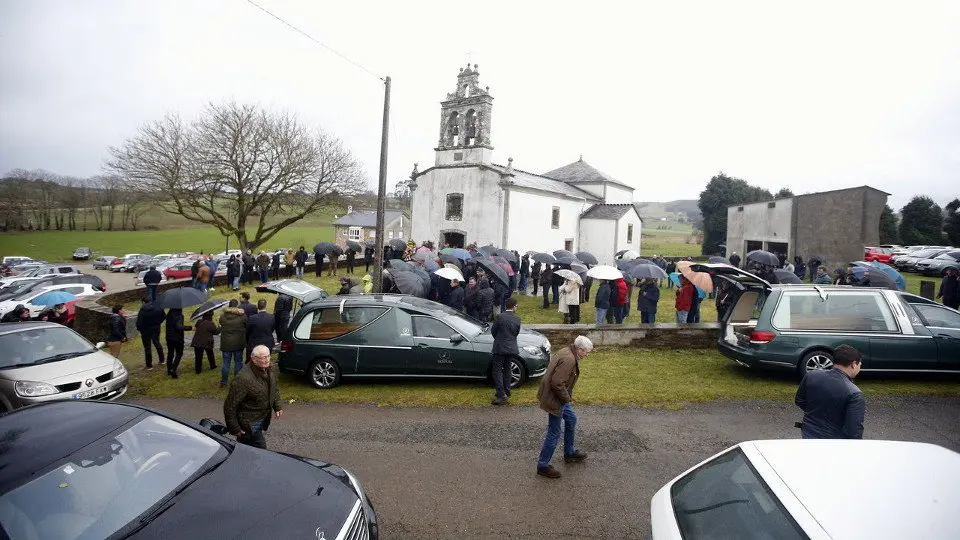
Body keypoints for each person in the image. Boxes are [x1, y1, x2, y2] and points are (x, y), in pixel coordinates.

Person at [536, 335, 592, 479]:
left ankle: (569, 452)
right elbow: (557, 383)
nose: (587, 354)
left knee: (571, 419)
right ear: (579, 349)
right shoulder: (569, 359)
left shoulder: (568, 351)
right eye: (586, 352)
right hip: (555, 399)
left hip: (558, 397)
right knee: (554, 432)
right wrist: (567, 398)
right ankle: (543, 466)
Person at [794, 345, 865, 439]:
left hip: (808, 432)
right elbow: (853, 431)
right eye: (860, 364)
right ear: (854, 364)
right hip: (834, 442)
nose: (860, 367)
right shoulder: (854, 394)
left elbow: (799, 400)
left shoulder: (811, 376)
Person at [223, 344, 283, 449]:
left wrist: (277, 405)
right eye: (263, 357)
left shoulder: (270, 368)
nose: (267, 360)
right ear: (254, 359)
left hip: (261, 418)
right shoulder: (243, 379)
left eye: (268, 356)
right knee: (261, 452)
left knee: (245, 451)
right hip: (248, 424)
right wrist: (235, 428)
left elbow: (274, 387)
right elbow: (230, 406)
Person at [490, 297, 520, 405]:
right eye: (517, 306)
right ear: (514, 306)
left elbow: (493, 331)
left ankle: (501, 394)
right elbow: (516, 332)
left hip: (500, 347)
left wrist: (499, 339)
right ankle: (507, 391)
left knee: (497, 370)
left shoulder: (500, 317)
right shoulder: (517, 319)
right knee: (507, 369)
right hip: (511, 347)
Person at [219, 299, 247, 388]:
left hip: (226, 343)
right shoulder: (242, 316)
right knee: (238, 362)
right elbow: (247, 325)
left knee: (226, 363)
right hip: (238, 342)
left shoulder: (222, 316)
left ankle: (223, 382)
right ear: (237, 306)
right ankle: (237, 381)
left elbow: (221, 324)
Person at [136, 296, 165, 369]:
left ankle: (149, 365)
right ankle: (162, 360)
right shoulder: (158, 307)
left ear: (143, 302)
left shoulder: (142, 309)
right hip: (156, 328)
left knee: (147, 347)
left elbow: (139, 322)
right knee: (157, 343)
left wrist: (140, 329)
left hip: (145, 330)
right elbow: (163, 316)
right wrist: (158, 323)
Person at [165, 307, 191, 378]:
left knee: (170, 354)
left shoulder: (169, 314)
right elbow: (179, 327)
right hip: (177, 338)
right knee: (179, 354)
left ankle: (169, 370)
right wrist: (191, 328)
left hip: (169, 338)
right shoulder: (179, 315)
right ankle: (173, 369)